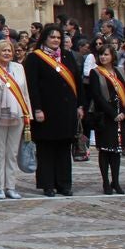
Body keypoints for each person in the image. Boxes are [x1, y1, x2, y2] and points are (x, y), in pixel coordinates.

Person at [24, 24, 84, 197]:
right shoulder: (35, 58)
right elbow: (32, 86)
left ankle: (64, 183)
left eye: (58, 37)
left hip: (66, 110)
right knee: (46, 149)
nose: (56, 40)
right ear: (45, 38)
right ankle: (47, 184)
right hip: (46, 110)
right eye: (52, 37)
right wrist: (37, 108)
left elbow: (77, 81)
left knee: (64, 148)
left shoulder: (67, 56)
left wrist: (80, 105)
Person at [0, 40, 31, 200]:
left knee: (12, 153)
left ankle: (11, 186)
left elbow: (25, 93)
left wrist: (28, 114)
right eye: (4, 51)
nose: (7, 53)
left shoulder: (19, 68)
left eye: (9, 50)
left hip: (17, 115)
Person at [89, 43, 125, 194]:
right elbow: (97, 96)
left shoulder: (121, 72)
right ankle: (106, 182)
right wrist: (112, 113)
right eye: (101, 54)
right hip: (105, 116)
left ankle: (116, 182)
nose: (103, 57)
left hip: (121, 114)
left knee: (116, 151)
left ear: (113, 56)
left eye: (106, 54)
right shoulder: (96, 73)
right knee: (105, 150)